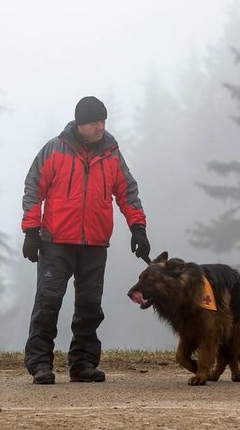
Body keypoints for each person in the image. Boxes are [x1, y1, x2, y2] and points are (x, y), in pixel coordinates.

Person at [21, 96, 150, 385]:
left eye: (103, 121)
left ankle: (83, 363)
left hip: (95, 243)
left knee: (90, 307)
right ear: (80, 124)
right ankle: (40, 363)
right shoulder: (54, 150)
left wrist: (137, 227)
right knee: (48, 303)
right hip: (55, 242)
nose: (100, 127)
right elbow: (33, 187)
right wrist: (31, 230)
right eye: (94, 123)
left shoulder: (112, 154)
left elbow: (127, 191)